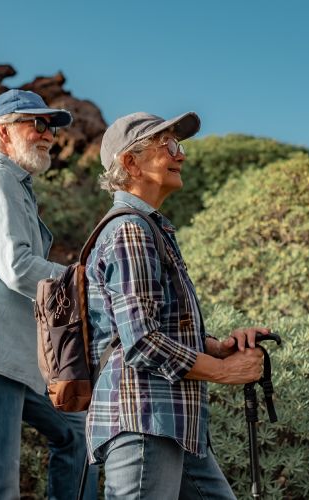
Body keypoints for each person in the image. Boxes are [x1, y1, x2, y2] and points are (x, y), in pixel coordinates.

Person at [85, 111, 273, 499]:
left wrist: (218, 347)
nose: (180, 154)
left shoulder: (151, 228)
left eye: (179, 145)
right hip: (143, 420)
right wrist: (224, 371)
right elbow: (142, 342)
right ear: (130, 163)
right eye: (167, 145)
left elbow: (157, 329)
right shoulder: (130, 231)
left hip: (170, 422)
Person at [0, 89, 92, 499]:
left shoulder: (15, 183)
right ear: (2, 132)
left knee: (79, 437)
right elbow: (17, 267)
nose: (48, 135)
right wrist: (87, 285)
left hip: (18, 356)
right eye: (37, 124)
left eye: (51, 127)